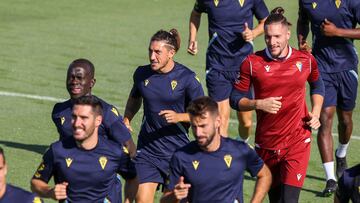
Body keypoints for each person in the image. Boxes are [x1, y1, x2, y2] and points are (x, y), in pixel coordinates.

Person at [230, 7, 324, 202]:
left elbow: (317, 84)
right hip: (267, 144)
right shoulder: (251, 62)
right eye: (268, 37)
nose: (272, 42)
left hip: (297, 142)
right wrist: (258, 104)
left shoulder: (305, 60)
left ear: (288, 34)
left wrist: (315, 113)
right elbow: (235, 98)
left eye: (277, 37)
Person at [123, 29, 204, 203]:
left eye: (157, 52)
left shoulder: (187, 78)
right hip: (147, 151)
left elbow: (205, 115)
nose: (152, 57)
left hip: (177, 153)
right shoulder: (141, 74)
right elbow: (134, 99)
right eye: (150, 51)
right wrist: (127, 117)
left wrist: (179, 117)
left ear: (171, 53)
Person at [297, 0, 360, 196]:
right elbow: (302, 19)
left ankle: (341, 154)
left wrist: (338, 32)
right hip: (321, 67)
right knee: (325, 117)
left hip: (347, 67)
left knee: (345, 120)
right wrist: (301, 41)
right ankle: (331, 178)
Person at [161, 96, 272, 203]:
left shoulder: (240, 150)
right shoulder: (181, 156)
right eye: (194, 126)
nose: (198, 133)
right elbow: (164, 201)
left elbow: (265, 175)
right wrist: (174, 196)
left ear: (218, 122)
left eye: (203, 126)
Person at [31, 96, 137, 203]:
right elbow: (36, 182)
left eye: (84, 118)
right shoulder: (57, 150)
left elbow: (133, 178)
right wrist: (50, 191)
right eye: (74, 117)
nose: (77, 123)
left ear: (98, 120)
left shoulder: (115, 152)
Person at [188, 0, 269, 139]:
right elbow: (196, 13)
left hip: (243, 67)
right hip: (217, 65)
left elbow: (266, 21)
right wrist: (192, 38)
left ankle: (242, 143)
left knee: (246, 122)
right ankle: (223, 155)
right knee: (221, 120)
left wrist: (253, 33)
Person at [52, 58, 136, 158]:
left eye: (79, 78)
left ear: (92, 83)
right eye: (71, 77)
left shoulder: (106, 112)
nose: (74, 81)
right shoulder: (59, 111)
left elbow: (130, 149)